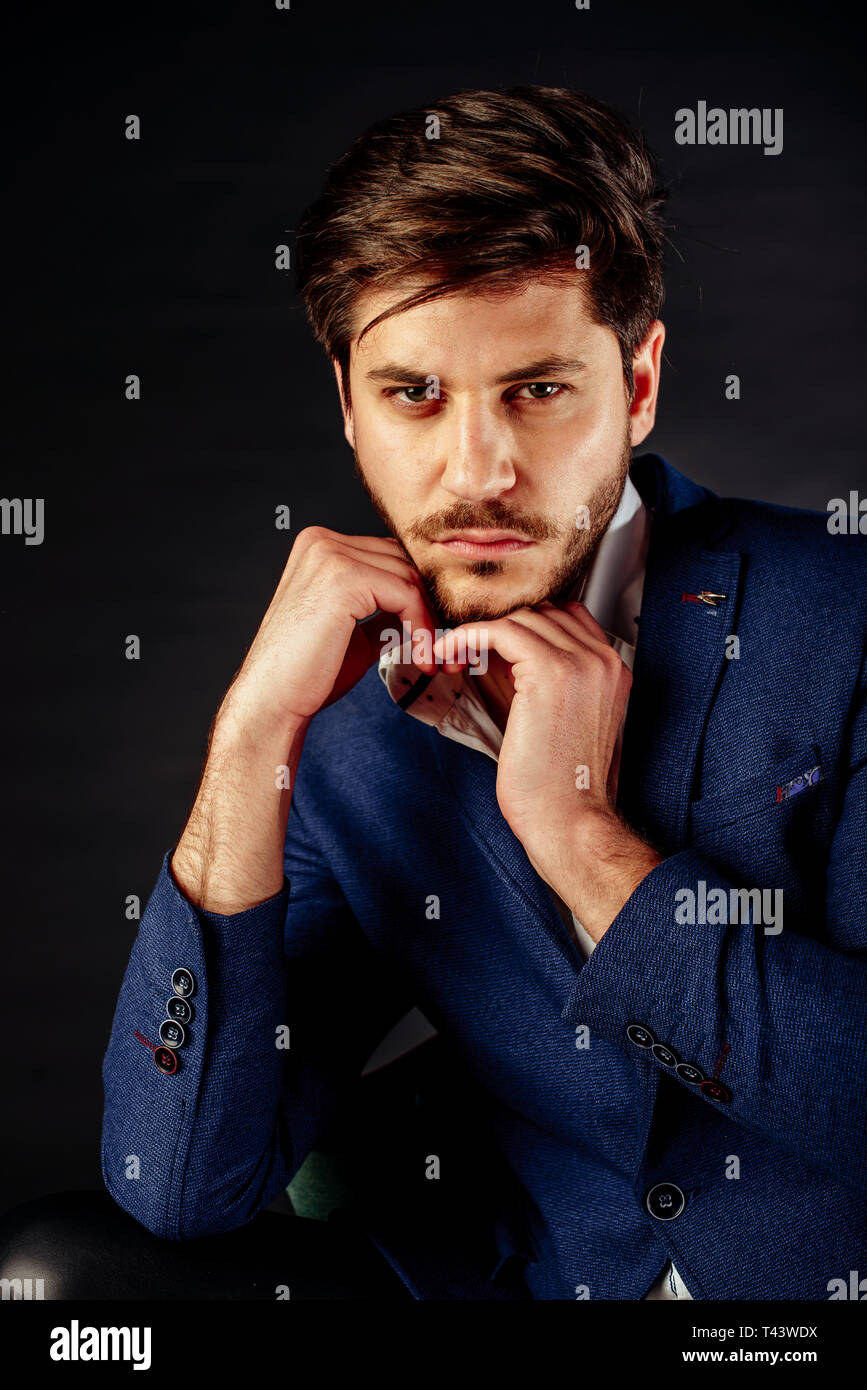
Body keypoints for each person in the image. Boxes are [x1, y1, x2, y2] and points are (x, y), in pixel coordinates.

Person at [3, 86, 865, 1301]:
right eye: (415, 394)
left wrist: (584, 845)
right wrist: (249, 742)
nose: (480, 472)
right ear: (348, 406)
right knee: (57, 1283)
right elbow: (177, 1178)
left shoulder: (844, 617)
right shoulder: (352, 737)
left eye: (538, 389)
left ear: (642, 381)